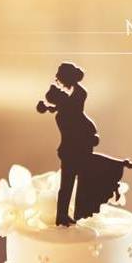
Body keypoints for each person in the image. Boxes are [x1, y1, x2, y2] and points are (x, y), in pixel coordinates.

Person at [36, 62, 99, 226]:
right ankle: (62, 215)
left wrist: (52, 105)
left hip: (80, 145)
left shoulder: (78, 95)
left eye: (60, 77)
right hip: (70, 149)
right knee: (67, 184)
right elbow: (64, 107)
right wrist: (52, 105)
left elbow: (70, 109)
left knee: (83, 181)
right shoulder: (67, 101)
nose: (58, 81)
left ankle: (82, 213)